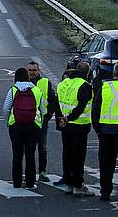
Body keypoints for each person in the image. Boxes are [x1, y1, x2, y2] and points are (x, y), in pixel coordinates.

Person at [57, 61, 94, 196]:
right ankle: (78, 185)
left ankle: (69, 184)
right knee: (78, 156)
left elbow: (58, 104)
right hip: (79, 126)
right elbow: (81, 106)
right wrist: (70, 117)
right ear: (87, 73)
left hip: (65, 126)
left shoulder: (63, 84)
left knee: (67, 154)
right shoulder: (85, 85)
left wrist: (62, 119)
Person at [3, 67, 43, 188]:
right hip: (33, 125)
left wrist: (8, 122)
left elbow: (6, 108)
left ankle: (17, 182)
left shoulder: (13, 89)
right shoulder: (36, 90)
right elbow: (42, 109)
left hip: (16, 125)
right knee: (30, 155)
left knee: (17, 154)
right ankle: (30, 182)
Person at [27, 60, 57, 182]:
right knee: (29, 148)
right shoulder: (22, 83)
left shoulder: (45, 82)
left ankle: (43, 172)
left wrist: (48, 115)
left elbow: (52, 100)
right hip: (28, 121)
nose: (32, 73)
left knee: (42, 148)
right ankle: (31, 172)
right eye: (30, 70)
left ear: (38, 71)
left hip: (42, 121)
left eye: (34, 70)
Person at [92, 63, 118, 202]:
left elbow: (95, 110)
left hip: (106, 132)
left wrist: (98, 130)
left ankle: (105, 192)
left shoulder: (105, 87)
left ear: (113, 74)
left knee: (106, 164)